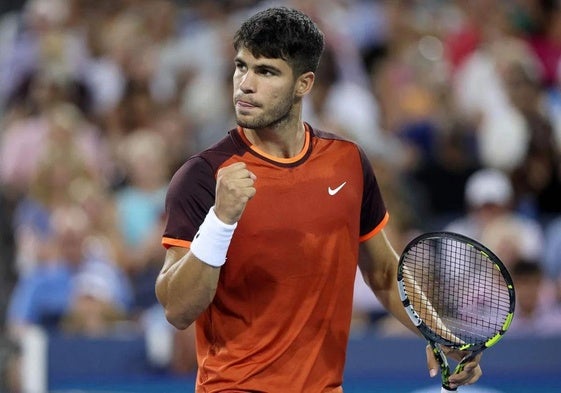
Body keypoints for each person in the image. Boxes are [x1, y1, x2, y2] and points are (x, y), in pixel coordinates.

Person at [155, 7, 482, 392]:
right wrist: (220, 220)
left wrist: (437, 334)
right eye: (241, 66)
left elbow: (382, 272)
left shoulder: (348, 162)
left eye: (266, 71)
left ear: (303, 84)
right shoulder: (202, 176)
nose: (245, 84)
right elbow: (176, 309)